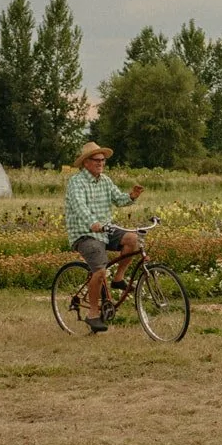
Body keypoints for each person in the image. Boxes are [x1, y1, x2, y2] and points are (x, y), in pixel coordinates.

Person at [63, 142, 143, 333]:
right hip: (84, 233)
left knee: (133, 240)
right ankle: (92, 314)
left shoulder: (105, 180)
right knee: (100, 270)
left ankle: (119, 278)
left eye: (103, 160)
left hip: (105, 230)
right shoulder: (76, 182)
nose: (101, 163)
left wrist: (131, 196)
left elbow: (118, 198)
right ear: (86, 163)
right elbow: (79, 206)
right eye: (96, 160)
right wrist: (92, 223)